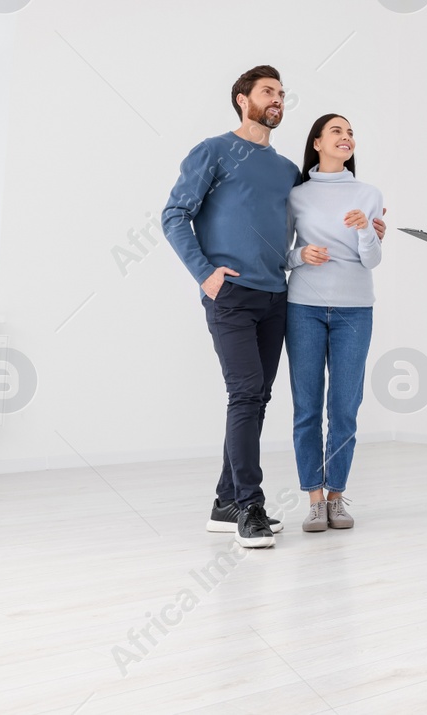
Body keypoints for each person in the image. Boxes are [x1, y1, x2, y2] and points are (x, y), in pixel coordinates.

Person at [162, 67, 384, 550]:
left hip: (278, 296)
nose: (278, 99)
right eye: (268, 92)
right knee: (244, 395)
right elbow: (175, 214)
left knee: (257, 398)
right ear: (243, 100)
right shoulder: (212, 151)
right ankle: (249, 505)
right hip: (231, 294)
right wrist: (205, 273)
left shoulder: (287, 171)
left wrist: (369, 229)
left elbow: (313, 218)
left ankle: (225, 501)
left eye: (282, 93)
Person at [285, 113, 385, 533]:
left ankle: (337, 497)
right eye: (337, 132)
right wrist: (299, 257)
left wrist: (366, 230)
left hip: (355, 310)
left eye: (350, 133)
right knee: (307, 408)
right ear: (318, 143)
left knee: (344, 407)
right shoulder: (297, 196)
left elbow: (373, 259)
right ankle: (313, 499)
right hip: (304, 306)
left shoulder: (368, 193)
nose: (346, 138)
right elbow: (280, 254)